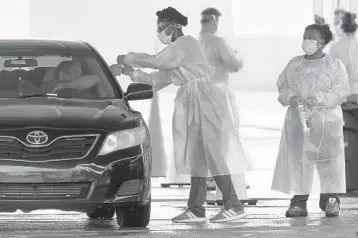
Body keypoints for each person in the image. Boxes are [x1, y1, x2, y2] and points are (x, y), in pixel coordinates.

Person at [117, 7, 249, 223]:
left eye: (163, 25)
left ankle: (234, 204)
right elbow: (157, 80)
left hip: (206, 99)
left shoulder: (186, 44)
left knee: (213, 151)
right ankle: (196, 208)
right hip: (192, 100)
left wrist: (130, 58)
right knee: (197, 154)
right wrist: (132, 73)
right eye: (158, 26)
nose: (160, 30)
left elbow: (160, 61)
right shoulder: (175, 52)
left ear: (176, 25)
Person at [271, 24, 350, 218]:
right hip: (298, 121)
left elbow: (341, 90)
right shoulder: (294, 63)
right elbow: (282, 85)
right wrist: (290, 97)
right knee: (300, 160)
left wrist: (319, 99)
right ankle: (299, 202)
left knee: (328, 161)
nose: (306, 41)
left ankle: (330, 200)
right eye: (305, 36)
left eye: (311, 38)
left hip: (326, 122)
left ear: (321, 42)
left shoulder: (333, 65)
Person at [198, 8, 249, 201]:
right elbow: (235, 65)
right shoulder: (217, 42)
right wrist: (237, 55)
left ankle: (206, 177)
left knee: (203, 137)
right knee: (222, 138)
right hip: (217, 96)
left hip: (198, 96)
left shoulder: (194, 43)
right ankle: (221, 180)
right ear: (213, 22)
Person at [328, 11, 358, 100]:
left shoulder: (335, 47)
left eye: (336, 23)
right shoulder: (353, 43)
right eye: (334, 23)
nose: (334, 27)